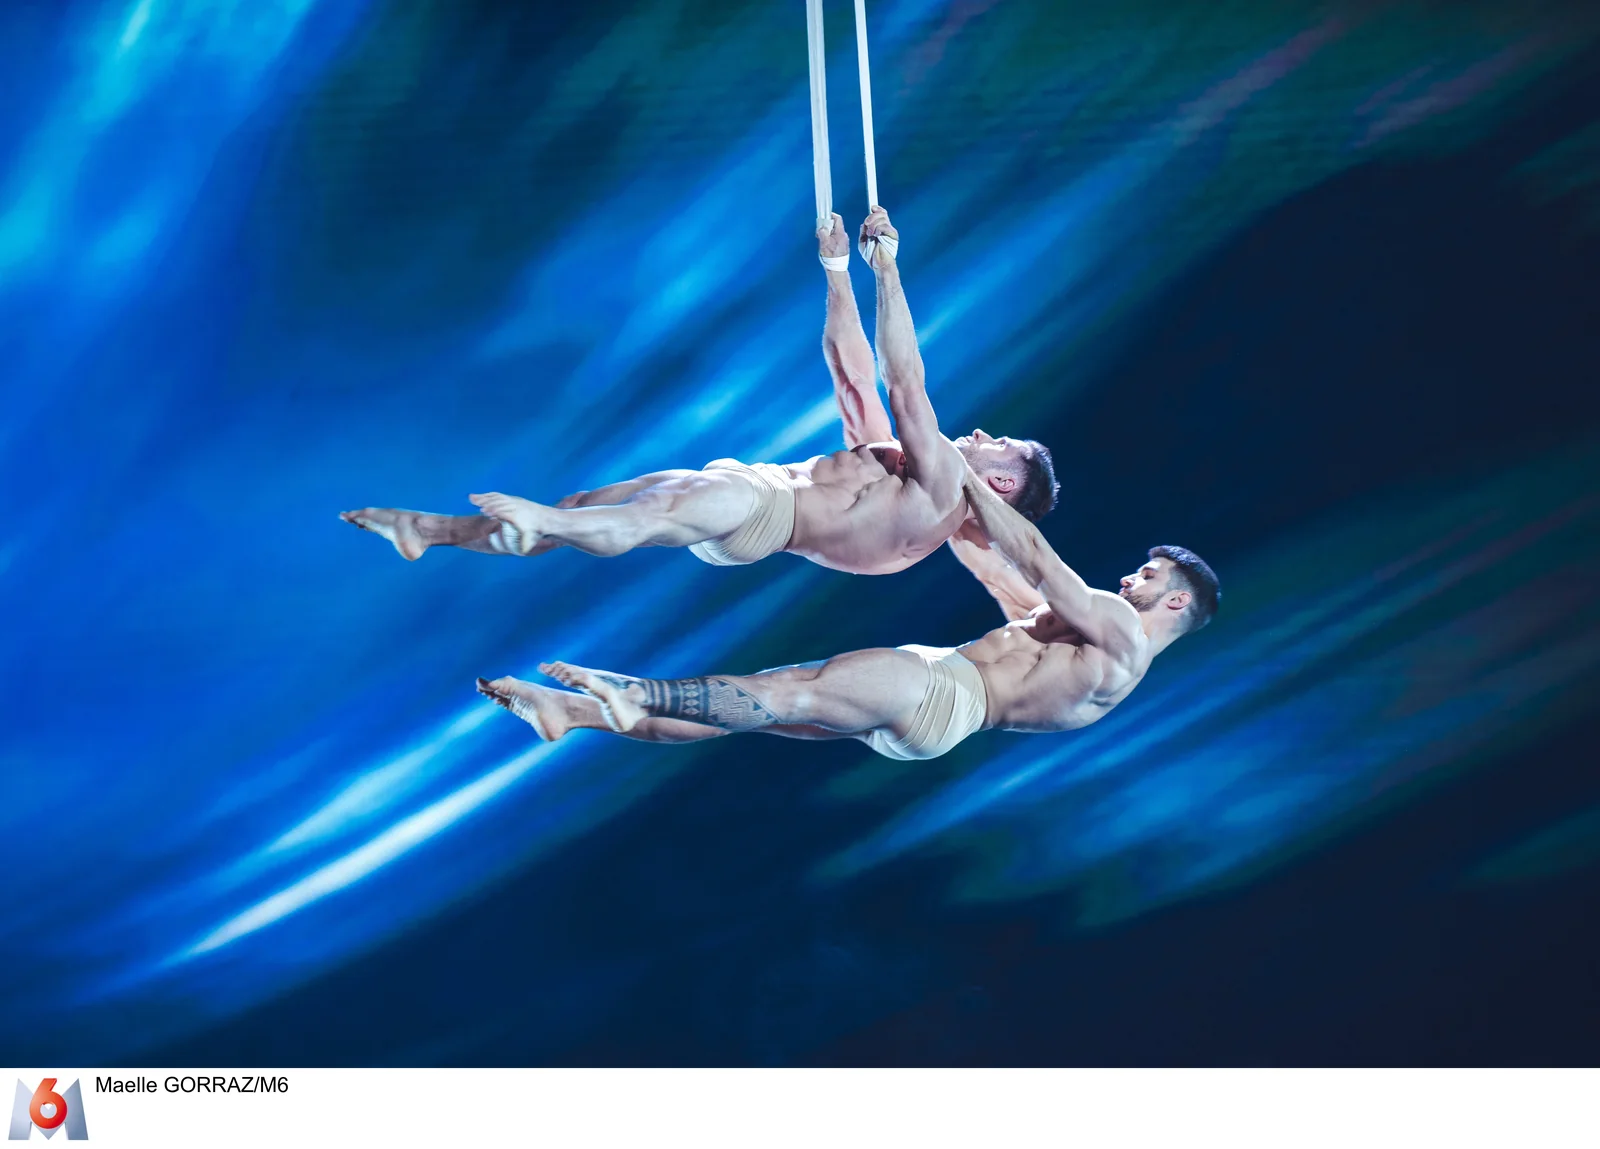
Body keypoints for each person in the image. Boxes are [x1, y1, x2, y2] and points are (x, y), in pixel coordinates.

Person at [341, 207, 1058, 577]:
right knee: (587, 507)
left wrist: (890, 270)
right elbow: (852, 373)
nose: (984, 435)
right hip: (752, 486)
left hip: (764, 514)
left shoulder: (941, 492)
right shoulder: (906, 471)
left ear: (999, 479)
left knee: (634, 516)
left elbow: (906, 380)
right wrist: (838, 270)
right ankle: (429, 532)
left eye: (1001, 447)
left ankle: (541, 521)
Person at [477, 467, 1219, 759]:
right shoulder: (1097, 654)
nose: (1130, 577)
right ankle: (573, 714)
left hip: (942, 687)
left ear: (1175, 601)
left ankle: (632, 693)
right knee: (762, 711)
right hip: (937, 722)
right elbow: (1003, 573)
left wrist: (969, 480)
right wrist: (958, 514)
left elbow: (1034, 556)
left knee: (784, 689)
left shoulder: (1121, 632)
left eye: (1147, 575)